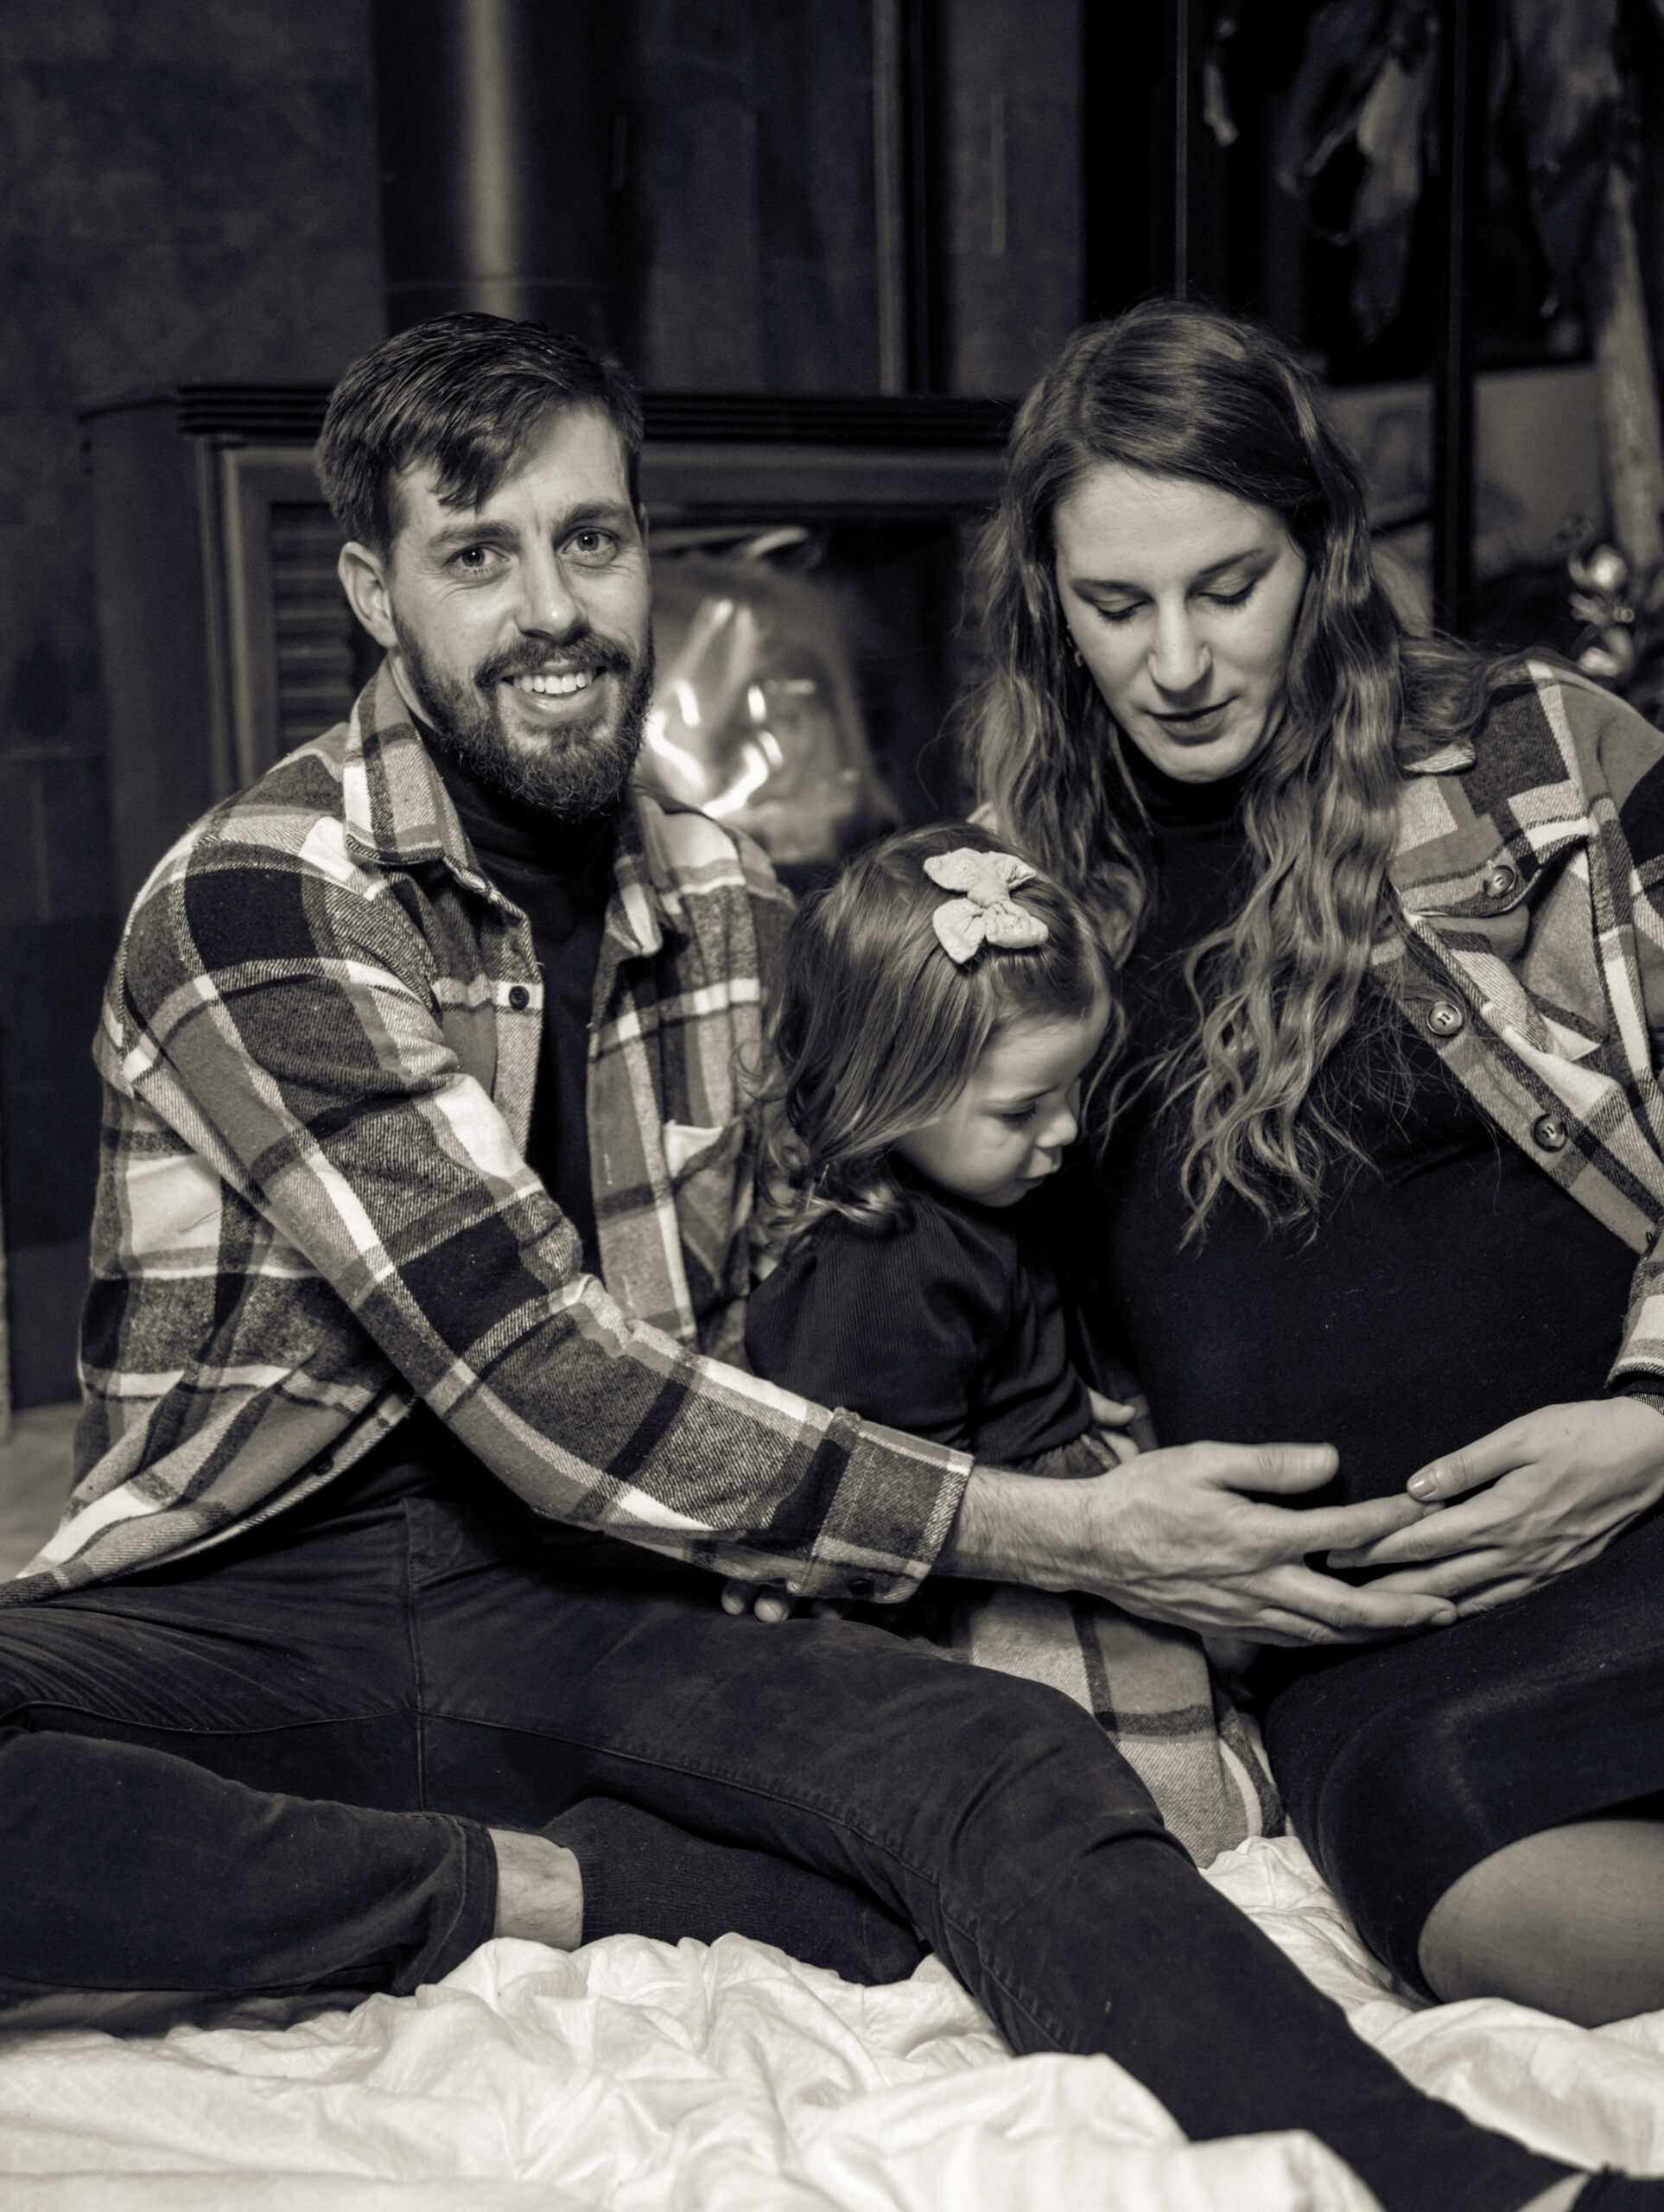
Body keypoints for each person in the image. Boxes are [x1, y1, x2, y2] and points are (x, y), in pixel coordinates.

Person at [0, 309, 1633, 2212]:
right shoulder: (257, 893)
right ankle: (517, 1882)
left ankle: (1467, 2179)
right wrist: (1065, 1531)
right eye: (477, 551)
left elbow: (852, 1227)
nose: (552, 608)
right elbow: (545, 1376)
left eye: (591, 540)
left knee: (1005, 1764)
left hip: (598, 1595)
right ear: (371, 588)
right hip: (269, 1576)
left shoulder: (726, 898)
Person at [959, 293, 1664, 2049]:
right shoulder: (1013, 887)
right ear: (1049, 595)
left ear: (1324, 555)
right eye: (1117, 604)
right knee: (1472, 1892)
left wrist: (1654, 1412)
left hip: (1637, 1493)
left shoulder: (1535, 748)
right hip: (1366, 1627)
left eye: (1231, 585)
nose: (1178, 659)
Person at [743, 819, 1279, 1863]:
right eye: (1024, 1107)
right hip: (995, 1569)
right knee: (1140, 1813)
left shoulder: (986, 1189)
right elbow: (864, 1498)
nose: (1068, 1129)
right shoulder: (888, 1269)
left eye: (1076, 1086)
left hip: (1064, 1496)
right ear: (883, 1096)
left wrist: (1075, 1385)